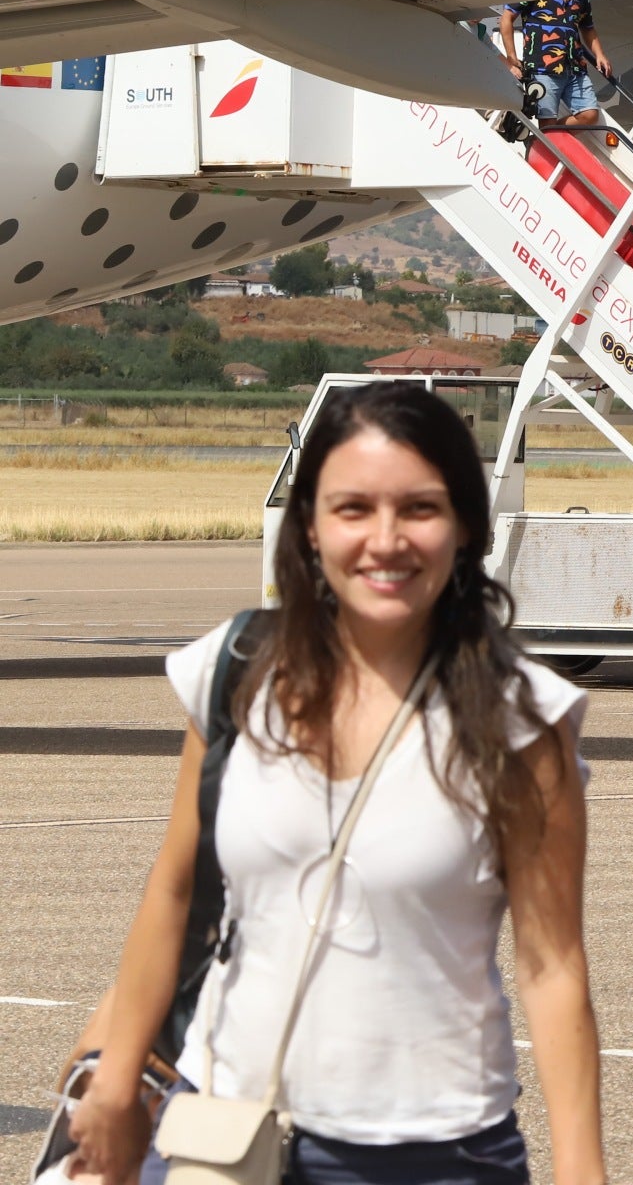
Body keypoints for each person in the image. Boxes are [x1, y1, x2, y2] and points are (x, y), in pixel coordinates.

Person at [68, 381, 601, 1185]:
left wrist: (582, 1172)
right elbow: (174, 892)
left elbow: (552, 965)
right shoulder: (237, 672)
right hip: (224, 1135)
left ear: (464, 527)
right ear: (310, 527)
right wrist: (114, 1085)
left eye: (419, 509)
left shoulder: (520, 720)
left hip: (438, 1154)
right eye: (353, 509)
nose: (385, 540)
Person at [499, 0, 613, 128]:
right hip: (542, 68)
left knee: (589, 115)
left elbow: (587, 27)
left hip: (575, 67)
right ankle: (546, 137)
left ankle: (543, 138)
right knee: (547, 121)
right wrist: (511, 56)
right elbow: (507, 18)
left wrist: (599, 54)